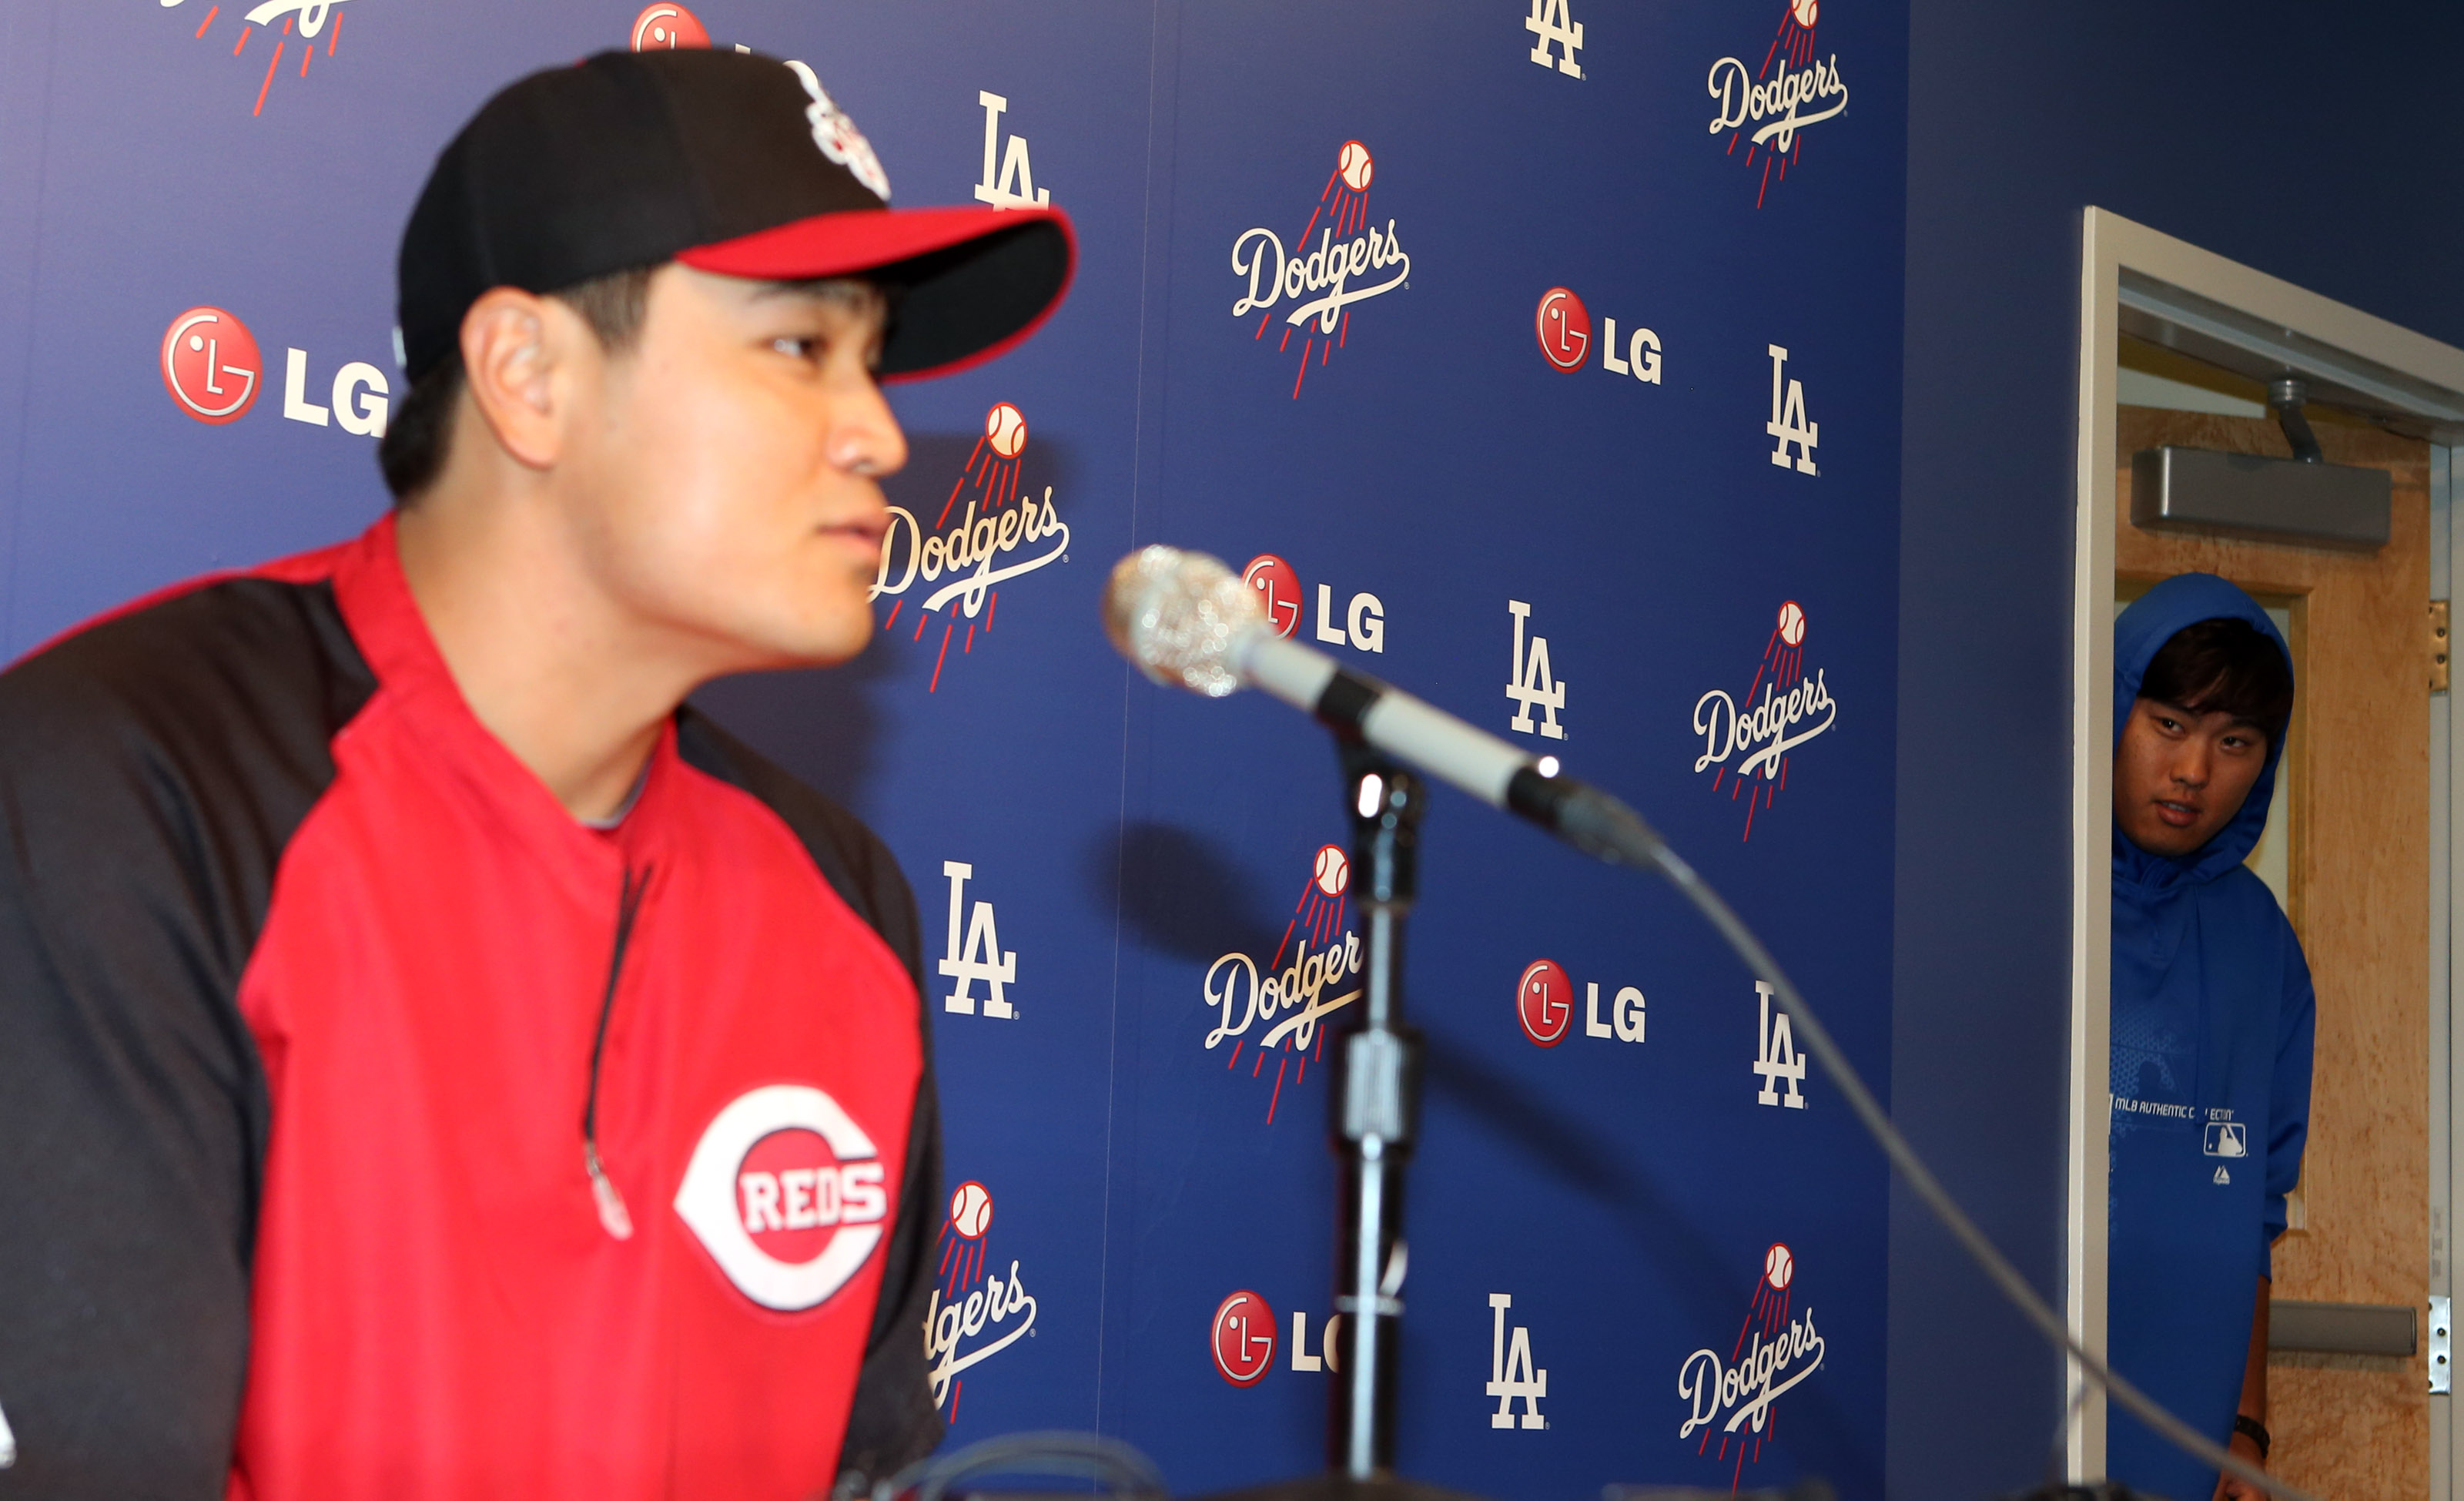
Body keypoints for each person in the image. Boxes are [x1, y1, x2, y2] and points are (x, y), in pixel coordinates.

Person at [0, 49, 1071, 1499]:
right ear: (530, 377)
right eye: (801, 349)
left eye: (872, 359)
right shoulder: (128, 782)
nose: (880, 432)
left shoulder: (843, 903)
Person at [2104, 574, 2315, 1501]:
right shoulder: (2015, 880)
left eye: (2233, 742)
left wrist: (2243, 1427)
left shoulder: (2258, 941)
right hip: (2001, 1380)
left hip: (2183, 1413)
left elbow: (2252, 1217)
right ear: (2110, 708)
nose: (2193, 770)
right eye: (2167, 725)